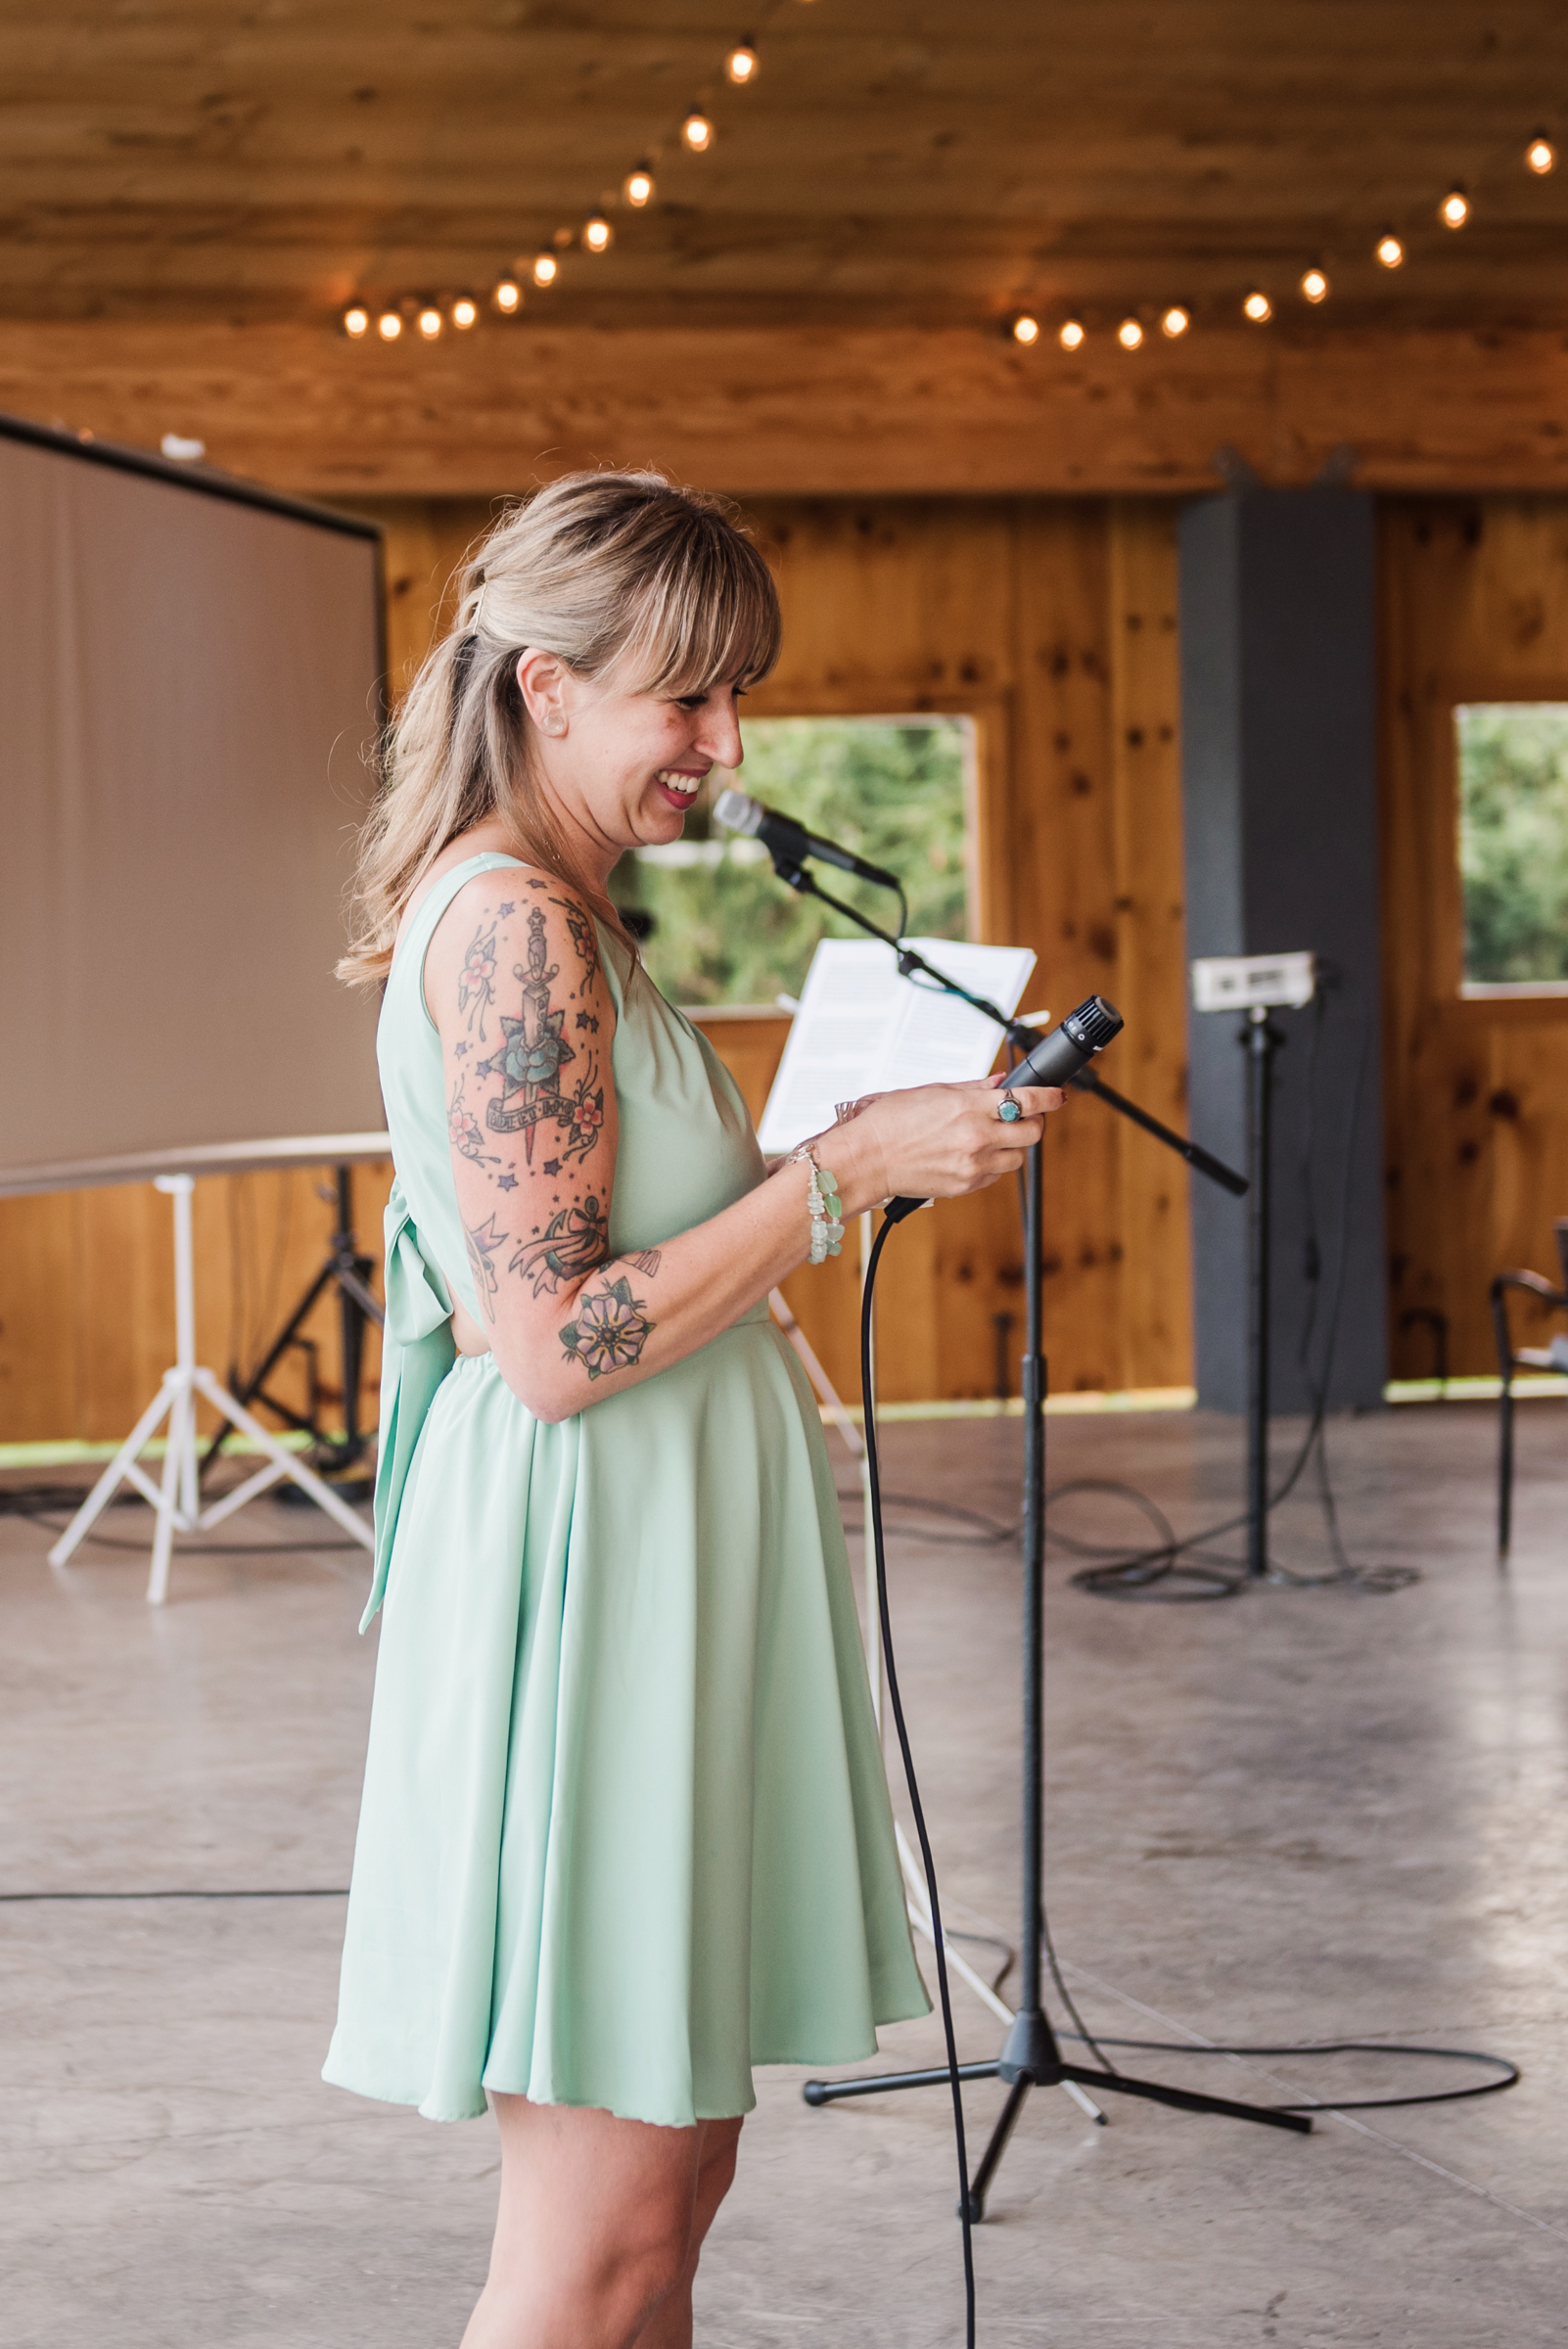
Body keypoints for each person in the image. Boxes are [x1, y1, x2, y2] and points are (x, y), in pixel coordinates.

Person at [325, 470, 1062, 2349]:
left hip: (654, 1582)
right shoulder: (511, 931)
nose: (726, 746)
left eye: (740, 695)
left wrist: (847, 1164)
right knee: (600, 2242)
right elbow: (560, 1342)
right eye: (688, 697)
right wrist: (839, 1174)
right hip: (590, 1601)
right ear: (547, 684)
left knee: (666, 2201)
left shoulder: (571, 911)